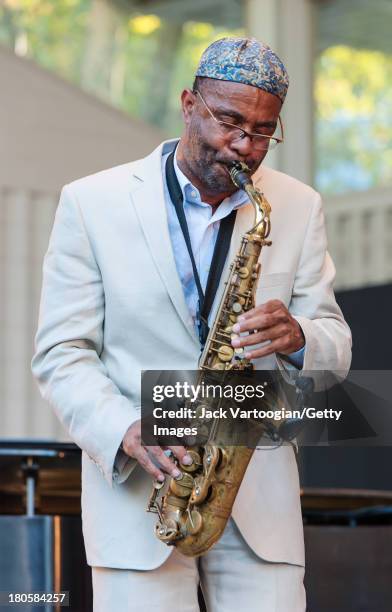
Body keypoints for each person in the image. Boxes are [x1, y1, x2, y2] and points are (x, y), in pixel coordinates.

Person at [32, 37, 351, 611]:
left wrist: (302, 337)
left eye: (262, 131)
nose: (244, 146)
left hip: (257, 500)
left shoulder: (300, 205)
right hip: (141, 491)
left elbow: (336, 341)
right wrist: (125, 430)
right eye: (229, 121)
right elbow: (62, 352)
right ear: (188, 103)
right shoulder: (91, 202)